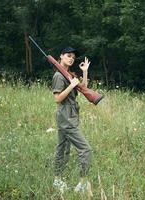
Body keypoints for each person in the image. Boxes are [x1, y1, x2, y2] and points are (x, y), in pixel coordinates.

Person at [51, 46, 93, 195]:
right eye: (68, 55)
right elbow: (57, 99)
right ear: (61, 56)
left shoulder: (69, 74)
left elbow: (84, 89)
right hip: (66, 116)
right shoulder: (58, 76)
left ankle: (57, 179)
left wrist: (85, 72)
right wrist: (71, 85)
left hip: (70, 115)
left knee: (62, 148)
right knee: (86, 149)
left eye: (73, 57)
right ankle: (82, 182)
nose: (71, 58)